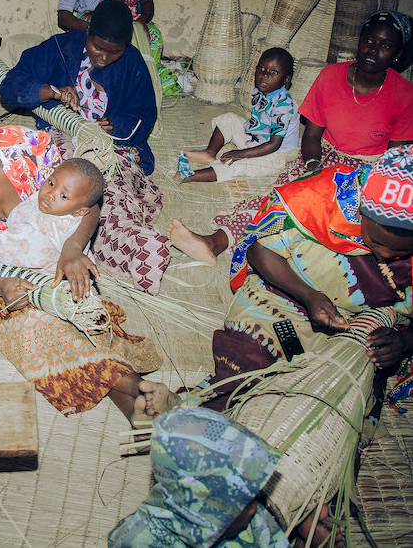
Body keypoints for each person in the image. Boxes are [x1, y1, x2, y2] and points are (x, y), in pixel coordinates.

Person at [0, 86, 171, 425]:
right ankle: (135, 389)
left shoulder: (27, 146)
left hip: (55, 250)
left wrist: (72, 249)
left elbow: (87, 202)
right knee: (34, 326)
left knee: (81, 304)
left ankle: (134, 404)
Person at [160, 147, 413, 422]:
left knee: (331, 403)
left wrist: (402, 341)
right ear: (361, 210)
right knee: (249, 354)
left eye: (399, 252)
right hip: (284, 294)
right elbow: (259, 250)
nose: (384, 255)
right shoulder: (319, 198)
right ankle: (197, 419)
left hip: (360, 326)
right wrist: (308, 295)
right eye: (376, 242)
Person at [169, 11, 413, 266]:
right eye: (369, 40)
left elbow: (394, 162)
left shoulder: (404, 95)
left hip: (366, 170)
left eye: (385, 46)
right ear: (359, 40)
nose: (373, 50)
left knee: (337, 224)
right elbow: (311, 138)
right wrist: (312, 167)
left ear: (397, 54)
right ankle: (215, 242)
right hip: (320, 156)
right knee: (278, 199)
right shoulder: (331, 76)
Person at [0, 0, 171, 293]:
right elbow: (10, 85)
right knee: (67, 192)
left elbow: (145, 113)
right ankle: (111, 248)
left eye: (114, 51)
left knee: (112, 187)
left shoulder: (132, 63)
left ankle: (138, 242)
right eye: (97, 47)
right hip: (63, 135)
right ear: (88, 32)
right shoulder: (59, 47)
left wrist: (115, 124)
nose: (104, 57)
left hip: (111, 145)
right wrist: (51, 92)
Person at [108, 406, 290, 548]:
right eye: (241, 501)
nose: (253, 509)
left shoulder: (251, 520)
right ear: (198, 506)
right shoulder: (138, 541)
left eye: (251, 495)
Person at [176, 48, 298, 185]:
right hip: (256, 138)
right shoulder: (260, 90)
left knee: (236, 163)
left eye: (273, 72)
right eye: (261, 69)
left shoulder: (284, 106)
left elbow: (274, 144)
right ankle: (209, 152)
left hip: (275, 154)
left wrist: (240, 154)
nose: (264, 75)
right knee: (229, 118)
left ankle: (190, 175)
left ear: (287, 79)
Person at [0, 158, 105, 275]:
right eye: (51, 183)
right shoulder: (66, 208)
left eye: (64, 196)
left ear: (80, 212)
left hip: (46, 279)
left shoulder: (45, 232)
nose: (50, 194)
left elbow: (14, 250)